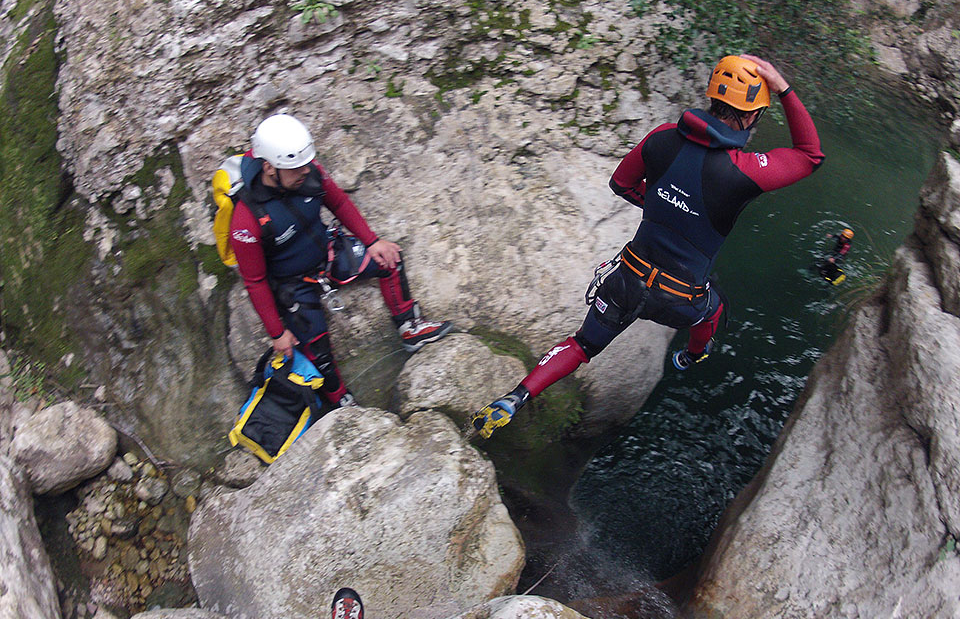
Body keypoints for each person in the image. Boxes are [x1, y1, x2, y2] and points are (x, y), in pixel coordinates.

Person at [472, 54, 824, 439]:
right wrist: (784, 88)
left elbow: (620, 184)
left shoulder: (661, 138)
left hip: (626, 279)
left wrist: (662, 206)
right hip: (679, 298)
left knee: (581, 345)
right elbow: (810, 154)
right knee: (714, 306)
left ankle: (516, 397)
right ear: (752, 114)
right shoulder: (745, 170)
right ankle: (692, 355)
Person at [230, 113, 452, 408]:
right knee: (316, 349)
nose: (306, 172)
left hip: (328, 253)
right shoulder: (246, 220)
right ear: (270, 167)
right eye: (296, 168)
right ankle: (340, 401)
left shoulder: (308, 173)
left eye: (307, 164)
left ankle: (410, 327)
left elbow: (338, 202)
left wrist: (372, 242)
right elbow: (255, 281)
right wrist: (277, 333)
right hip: (293, 284)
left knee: (390, 260)